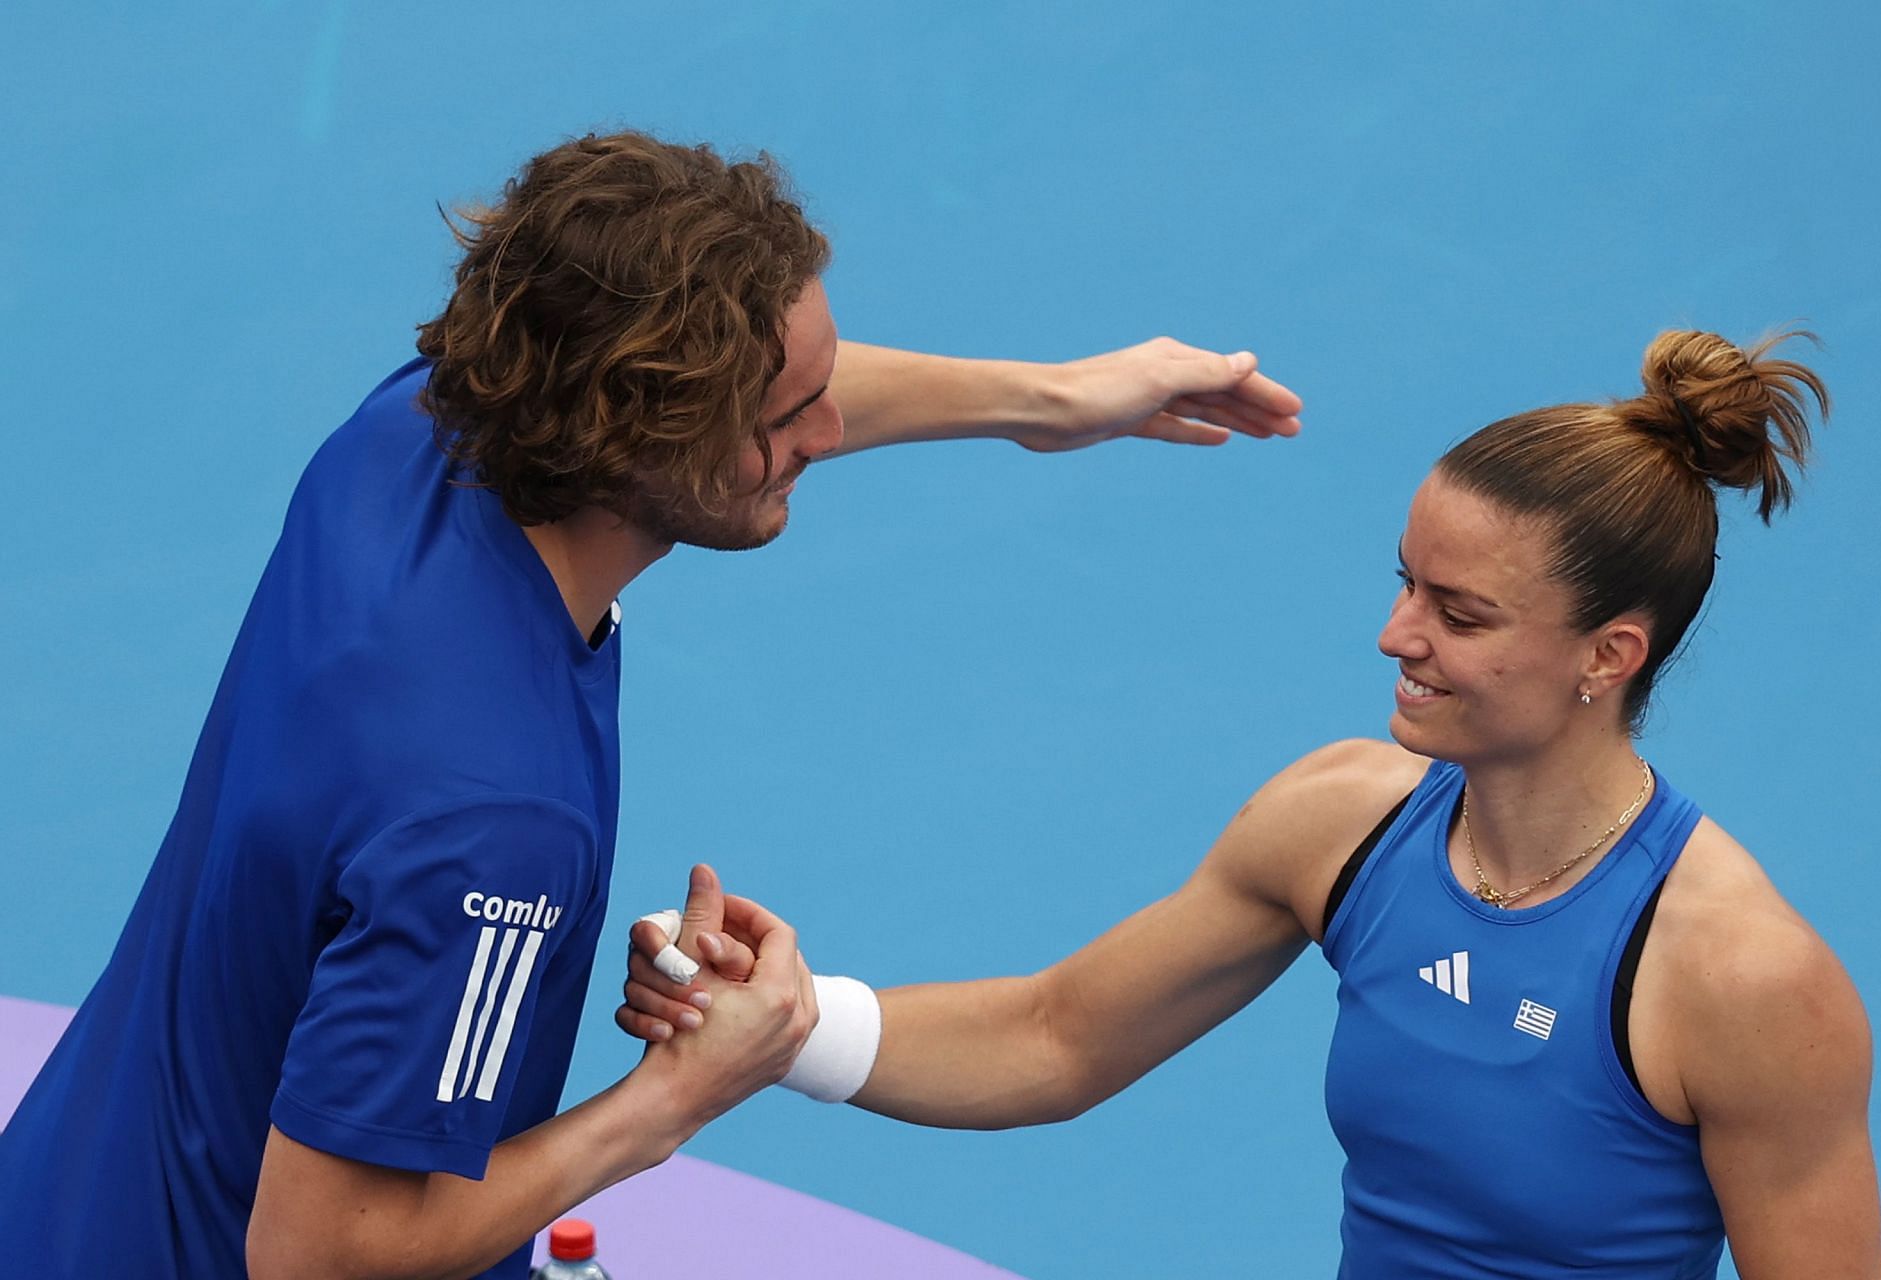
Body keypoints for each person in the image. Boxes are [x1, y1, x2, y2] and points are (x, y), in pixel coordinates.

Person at [0, 130, 1303, 1279]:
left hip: (69, 1196)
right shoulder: (490, 819)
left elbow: (771, 390)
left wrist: (1050, 399)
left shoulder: (417, 431)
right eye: (789, 417)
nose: (833, 432)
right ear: (641, 433)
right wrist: (675, 1097)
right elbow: (317, 1254)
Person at [629, 329, 1881, 1278]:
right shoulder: (1341, 820)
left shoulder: (1742, 979)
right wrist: (784, 1024)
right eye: (1408, 584)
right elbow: (1058, 1032)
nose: (1398, 636)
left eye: (1460, 615)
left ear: (1608, 656)